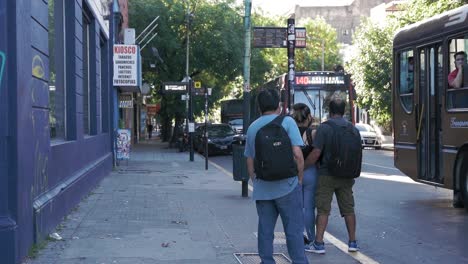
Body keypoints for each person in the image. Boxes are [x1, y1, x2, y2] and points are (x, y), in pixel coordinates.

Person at [244, 88, 308, 264]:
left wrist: (256, 182)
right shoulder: (287, 122)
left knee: (265, 231)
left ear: (259, 107)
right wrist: (299, 181)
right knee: (294, 231)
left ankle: (266, 261)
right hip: (288, 186)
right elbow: (298, 156)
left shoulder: (252, 128)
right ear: (279, 105)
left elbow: (250, 161)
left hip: (263, 189)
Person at [306, 97, 360, 254]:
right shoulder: (353, 129)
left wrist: (303, 167)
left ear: (330, 111)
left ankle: (319, 243)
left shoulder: (324, 128)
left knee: (323, 209)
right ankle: (353, 242)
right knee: (348, 208)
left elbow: (316, 153)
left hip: (326, 174)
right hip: (347, 175)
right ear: (344, 111)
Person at [291, 103, 319, 250]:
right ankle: (312, 239)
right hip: (311, 172)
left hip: (294, 173)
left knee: (296, 207)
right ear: (309, 117)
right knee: (309, 208)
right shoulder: (313, 133)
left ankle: (298, 237)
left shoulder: (289, 132)